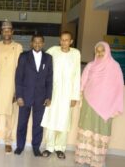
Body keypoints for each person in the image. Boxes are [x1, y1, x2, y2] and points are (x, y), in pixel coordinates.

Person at [75, 42, 124, 167]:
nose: (100, 53)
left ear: (107, 51)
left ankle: (96, 160)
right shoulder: (91, 65)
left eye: (103, 50)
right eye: (98, 51)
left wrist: (116, 105)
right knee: (88, 128)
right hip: (89, 103)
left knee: (101, 130)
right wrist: (79, 95)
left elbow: (118, 87)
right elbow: (83, 82)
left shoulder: (115, 66)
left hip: (106, 105)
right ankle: (83, 157)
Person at [41, 31, 81, 159]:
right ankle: (49, 147)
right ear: (60, 40)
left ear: (71, 41)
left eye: (67, 40)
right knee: (51, 119)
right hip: (53, 91)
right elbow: (44, 66)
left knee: (64, 121)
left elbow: (77, 75)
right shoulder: (53, 50)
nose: (64, 42)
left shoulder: (76, 54)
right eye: (62, 40)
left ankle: (60, 148)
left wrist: (75, 96)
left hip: (67, 93)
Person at [0, 20, 23, 154]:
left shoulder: (18, 47)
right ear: (1, 32)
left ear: (12, 32)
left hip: (11, 87)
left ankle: (8, 142)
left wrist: (17, 91)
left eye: (9, 30)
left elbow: (19, 70)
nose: (6, 32)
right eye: (4, 30)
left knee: (10, 116)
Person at [14, 34, 53, 156]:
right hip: (25, 96)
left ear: (43, 43)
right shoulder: (24, 56)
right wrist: (19, 96)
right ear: (31, 43)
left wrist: (48, 96)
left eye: (40, 42)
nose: (37, 44)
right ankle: (20, 146)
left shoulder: (48, 58)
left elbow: (49, 79)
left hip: (40, 97)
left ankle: (36, 147)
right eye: (35, 42)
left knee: (38, 124)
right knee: (22, 123)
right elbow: (18, 78)